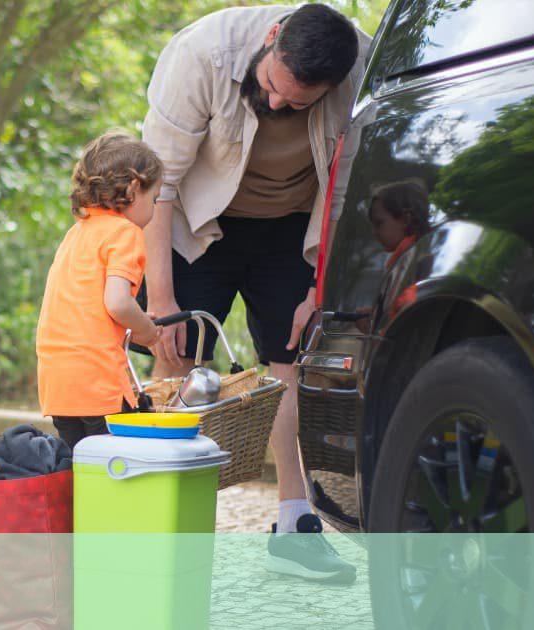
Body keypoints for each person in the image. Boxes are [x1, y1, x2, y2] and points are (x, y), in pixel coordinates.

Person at [140, 3, 369, 582]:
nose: (275, 106)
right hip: (197, 224)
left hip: (292, 227)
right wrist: (162, 305)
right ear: (271, 40)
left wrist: (318, 287)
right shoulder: (200, 54)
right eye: (271, 86)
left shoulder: (360, 70)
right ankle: (161, 535)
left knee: (289, 367)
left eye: (296, 103)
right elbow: (158, 185)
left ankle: (295, 528)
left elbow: (341, 190)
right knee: (178, 367)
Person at [36, 131, 163, 449]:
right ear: (134, 189)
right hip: (99, 383)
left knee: (82, 472)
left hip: (58, 381)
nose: (155, 209)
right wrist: (147, 331)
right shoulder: (126, 232)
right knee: (116, 473)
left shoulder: (76, 234)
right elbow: (118, 303)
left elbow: (87, 303)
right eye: (155, 199)